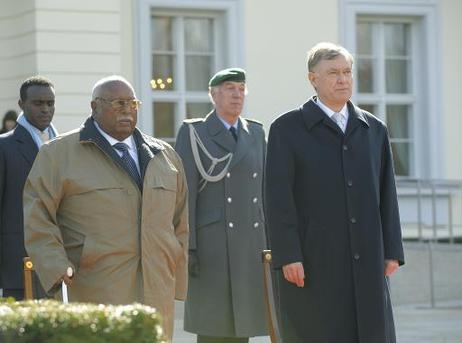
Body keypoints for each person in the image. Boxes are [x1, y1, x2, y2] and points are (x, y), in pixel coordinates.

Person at [23, 75, 188, 340]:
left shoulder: (165, 156)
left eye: (132, 103)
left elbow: (180, 221)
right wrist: (55, 266)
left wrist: (173, 265)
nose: (127, 110)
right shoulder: (58, 154)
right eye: (118, 103)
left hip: (156, 290)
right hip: (95, 288)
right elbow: (37, 214)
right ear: (94, 107)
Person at [264, 42, 405, 343]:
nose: (342, 79)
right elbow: (277, 200)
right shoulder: (286, 129)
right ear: (312, 78)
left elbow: (387, 194)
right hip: (313, 262)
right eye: (333, 73)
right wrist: (288, 255)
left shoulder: (374, 130)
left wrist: (392, 249)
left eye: (347, 72)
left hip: (367, 260)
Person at [175, 68, 268, 343]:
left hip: (250, 244)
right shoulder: (195, 132)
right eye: (229, 88)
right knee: (214, 329)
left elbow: (264, 192)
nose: (237, 94)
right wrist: (187, 248)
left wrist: (271, 245)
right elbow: (186, 194)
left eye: (241, 88)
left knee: (243, 328)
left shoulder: (255, 133)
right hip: (211, 247)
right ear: (213, 95)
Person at [0, 76, 57, 300]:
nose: (45, 109)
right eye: (38, 103)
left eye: (50, 103)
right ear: (22, 105)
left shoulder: (66, 146)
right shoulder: (4, 147)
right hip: (16, 267)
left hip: (59, 266)